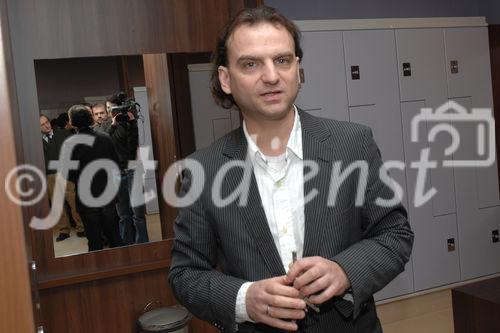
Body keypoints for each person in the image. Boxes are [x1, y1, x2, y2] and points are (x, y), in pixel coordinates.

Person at [168, 6, 414, 333]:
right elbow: (186, 274)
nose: (271, 76)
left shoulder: (352, 144)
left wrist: (344, 271)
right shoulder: (203, 170)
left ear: (297, 69)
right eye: (251, 64)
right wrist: (244, 299)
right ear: (225, 79)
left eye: (282, 60)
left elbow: (395, 235)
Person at [66, 105, 124, 252]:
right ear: (91, 119)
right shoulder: (105, 138)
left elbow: (70, 175)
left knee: (94, 240)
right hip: (107, 194)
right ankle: (123, 268)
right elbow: (116, 165)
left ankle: (99, 272)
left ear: (72, 122)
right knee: (114, 237)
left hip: (86, 197)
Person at [106, 95, 149, 245]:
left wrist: (132, 124)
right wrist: (112, 124)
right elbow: (104, 143)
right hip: (115, 173)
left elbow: (132, 147)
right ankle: (126, 247)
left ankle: (142, 245)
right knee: (123, 214)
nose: (110, 111)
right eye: (109, 109)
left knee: (138, 214)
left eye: (111, 108)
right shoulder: (107, 126)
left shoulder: (130, 123)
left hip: (132, 170)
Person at [39, 114, 85, 241]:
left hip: (66, 173)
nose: (46, 125)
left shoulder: (63, 134)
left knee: (73, 201)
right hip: (49, 176)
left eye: (47, 122)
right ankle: (64, 230)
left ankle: (81, 227)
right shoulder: (37, 141)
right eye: (42, 125)